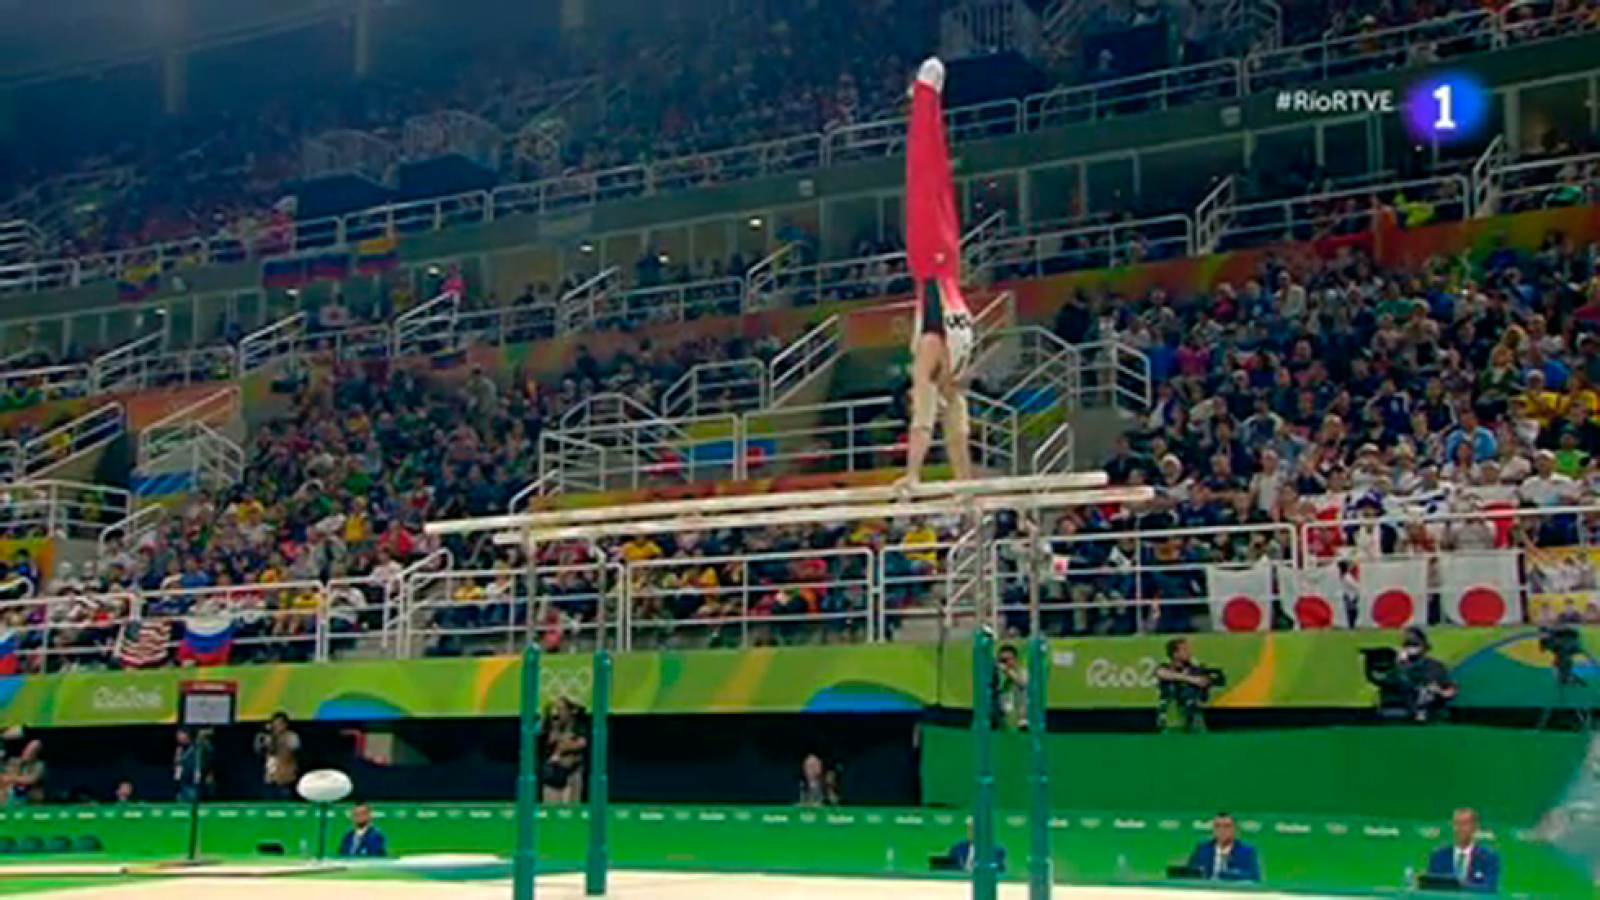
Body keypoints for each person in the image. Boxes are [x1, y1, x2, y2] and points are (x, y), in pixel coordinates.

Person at [898, 56, 975, 491]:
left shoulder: (954, 384)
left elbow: (956, 438)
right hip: (934, 265)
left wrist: (967, 487)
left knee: (935, 180)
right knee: (925, 178)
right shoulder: (931, 371)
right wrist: (911, 474)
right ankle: (926, 95)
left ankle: (926, 103)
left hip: (948, 269)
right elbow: (925, 424)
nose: (913, 400)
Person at [1424, 807, 1500, 893]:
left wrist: (1458, 886)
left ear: (1474, 827)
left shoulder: (1488, 858)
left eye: (1464, 824)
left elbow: (1489, 888)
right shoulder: (1438, 857)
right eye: (1456, 824)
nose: (1459, 829)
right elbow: (1430, 887)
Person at [1155, 639, 1215, 733]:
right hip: (1172, 715)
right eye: (1184, 650)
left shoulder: (1196, 669)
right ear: (1175, 654)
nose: (1189, 652)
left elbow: (1205, 682)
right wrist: (1190, 679)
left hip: (1193, 714)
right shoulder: (1165, 668)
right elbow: (1162, 674)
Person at [1184, 813, 1261, 882]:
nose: (1222, 830)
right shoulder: (1203, 849)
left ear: (1234, 829)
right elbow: (1189, 874)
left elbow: (1253, 878)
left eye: (1226, 826)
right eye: (1217, 826)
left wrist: (1226, 875)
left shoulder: (1246, 852)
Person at [254, 712, 300, 801]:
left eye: (280, 724)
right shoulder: (267, 737)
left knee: (285, 800)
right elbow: (258, 749)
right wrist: (264, 738)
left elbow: (294, 748)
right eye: (275, 724)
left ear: (285, 725)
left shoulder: (291, 736)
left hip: (286, 777)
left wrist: (279, 739)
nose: (277, 726)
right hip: (270, 776)